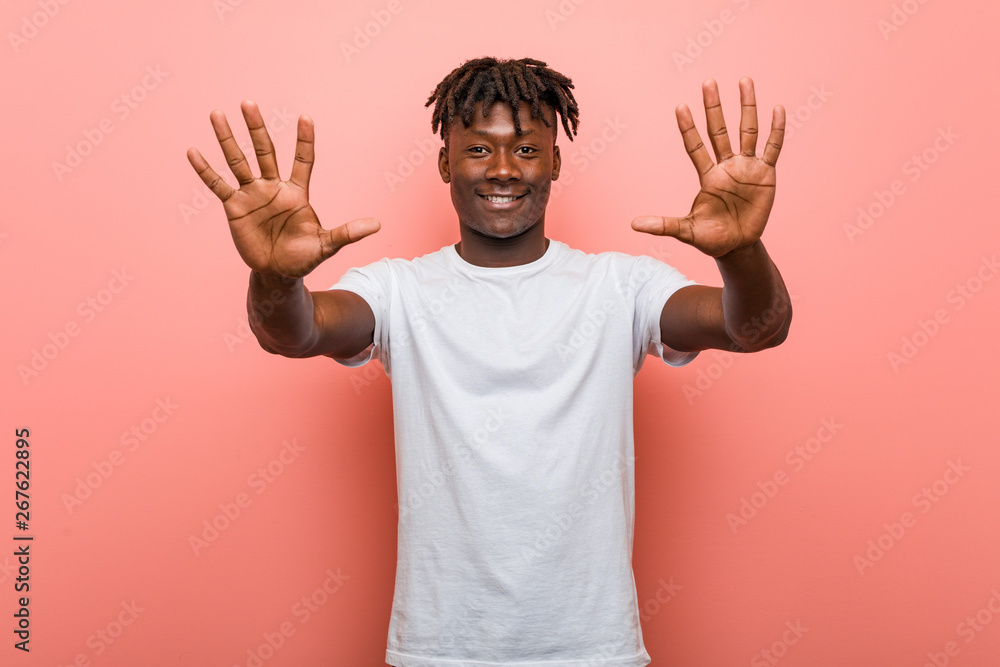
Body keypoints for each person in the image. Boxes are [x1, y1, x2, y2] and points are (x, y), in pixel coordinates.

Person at [187, 56, 791, 667]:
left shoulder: (619, 285)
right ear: (445, 163)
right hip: (440, 651)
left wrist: (741, 253)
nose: (503, 168)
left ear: (555, 161)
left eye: (526, 149)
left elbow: (755, 328)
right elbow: (295, 333)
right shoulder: (399, 289)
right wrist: (273, 276)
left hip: (591, 651)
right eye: (479, 149)